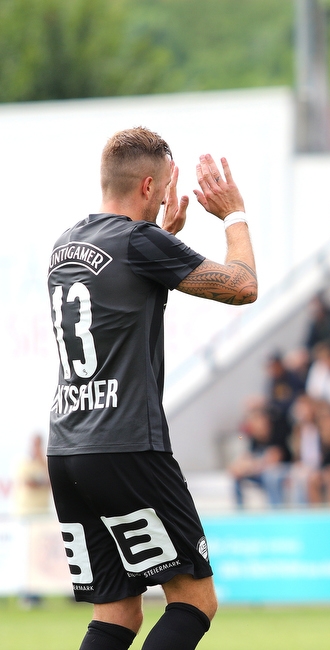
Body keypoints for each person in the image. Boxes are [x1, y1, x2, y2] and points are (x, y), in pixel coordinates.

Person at [47, 127, 257, 650]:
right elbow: (243, 286)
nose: (167, 195)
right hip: (126, 446)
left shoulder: (66, 243)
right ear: (146, 185)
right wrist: (234, 214)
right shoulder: (140, 242)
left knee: (118, 611)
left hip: (68, 449)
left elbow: (124, 284)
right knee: (194, 600)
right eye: (163, 187)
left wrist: (165, 235)